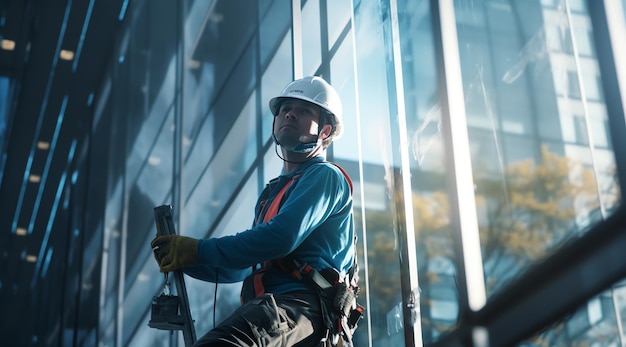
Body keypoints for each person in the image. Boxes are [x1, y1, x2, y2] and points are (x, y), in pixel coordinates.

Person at [151, 76, 361, 346]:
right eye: (285, 108)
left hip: (301, 309)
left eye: (305, 110)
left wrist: (197, 250)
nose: (290, 113)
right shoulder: (271, 194)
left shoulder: (324, 176)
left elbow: (280, 237)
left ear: (325, 131)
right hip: (275, 309)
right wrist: (187, 260)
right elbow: (246, 266)